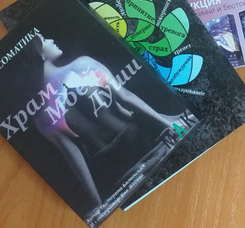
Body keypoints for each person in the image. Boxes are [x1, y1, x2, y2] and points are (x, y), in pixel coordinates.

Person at [29, 34, 186, 218]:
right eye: (44, 40)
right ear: (38, 53)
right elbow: (126, 97)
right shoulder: (82, 65)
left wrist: (98, 203)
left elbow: (75, 158)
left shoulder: (41, 117)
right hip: (143, 142)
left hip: (114, 169)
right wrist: (169, 126)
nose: (51, 40)